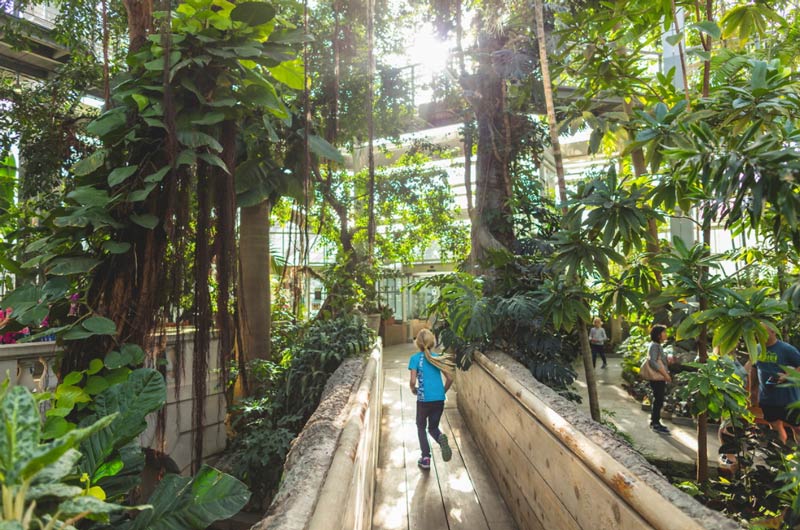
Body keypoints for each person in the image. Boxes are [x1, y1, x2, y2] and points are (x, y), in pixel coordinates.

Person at [409, 328, 453, 470]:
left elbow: (412, 380)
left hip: (423, 401)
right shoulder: (437, 358)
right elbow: (450, 378)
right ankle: (440, 439)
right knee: (433, 427)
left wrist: (413, 389)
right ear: (432, 342)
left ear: (418, 343)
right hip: (438, 400)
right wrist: (442, 391)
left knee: (421, 427)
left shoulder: (415, 359)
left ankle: (426, 458)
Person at [755, 324, 800, 444]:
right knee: (775, 429)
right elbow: (754, 370)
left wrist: (787, 376)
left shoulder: (786, 349)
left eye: (763, 332)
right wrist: (751, 392)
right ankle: (779, 458)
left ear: (773, 332)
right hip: (768, 399)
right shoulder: (756, 349)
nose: (760, 335)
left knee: (797, 428)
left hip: (789, 399)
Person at [647, 324, 672, 434]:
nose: (666, 334)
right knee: (658, 399)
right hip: (657, 378)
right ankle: (655, 423)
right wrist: (665, 375)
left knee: (658, 399)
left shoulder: (657, 345)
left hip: (660, 377)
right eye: (664, 332)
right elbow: (652, 362)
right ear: (658, 335)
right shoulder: (655, 346)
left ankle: (655, 421)